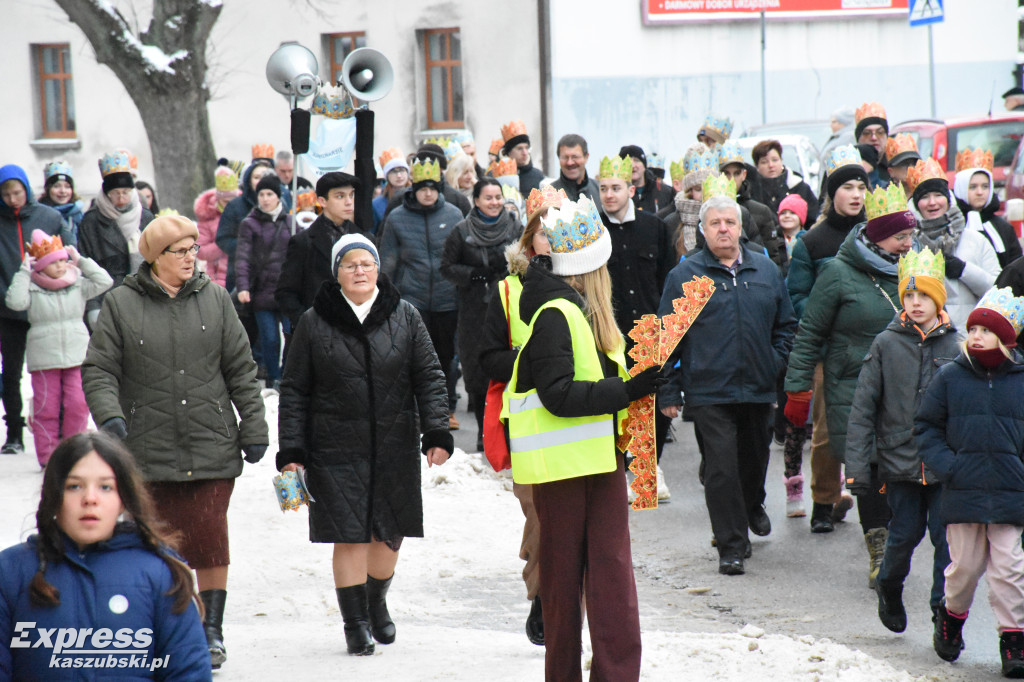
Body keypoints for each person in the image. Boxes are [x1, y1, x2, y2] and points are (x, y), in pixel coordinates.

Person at [83, 214, 269, 670]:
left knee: (210, 538)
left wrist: (255, 426)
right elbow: (100, 369)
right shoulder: (122, 304)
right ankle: (163, 627)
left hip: (211, 444)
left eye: (193, 249)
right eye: (180, 251)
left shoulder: (217, 299)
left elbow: (241, 368)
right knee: (155, 546)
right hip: (147, 449)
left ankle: (210, 631)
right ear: (155, 257)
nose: (192, 257)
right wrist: (110, 416)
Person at [278, 234, 452, 656]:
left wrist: (436, 432)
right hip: (334, 446)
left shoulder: (405, 316)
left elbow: (428, 376)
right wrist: (293, 453)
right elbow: (295, 390)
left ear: (378, 269)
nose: (359, 271)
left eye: (366, 264)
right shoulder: (313, 321)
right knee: (349, 534)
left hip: (394, 442)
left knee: (389, 535)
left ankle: (375, 601)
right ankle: (354, 623)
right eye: (350, 264)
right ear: (336, 273)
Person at [503, 196, 646, 680]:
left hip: (600, 465)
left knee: (611, 582)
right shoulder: (555, 315)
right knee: (563, 590)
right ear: (593, 269)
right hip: (562, 473)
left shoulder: (586, 314)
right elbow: (558, 395)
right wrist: (626, 390)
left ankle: (617, 674)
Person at [659, 188, 797, 576]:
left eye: (730, 223)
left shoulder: (764, 270)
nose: (723, 229)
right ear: (702, 230)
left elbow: (786, 326)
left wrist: (774, 362)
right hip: (708, 390)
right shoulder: (687, 275)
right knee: (721, 468)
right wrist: (669, 390)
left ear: (741, 228)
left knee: (753, 463)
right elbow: (666, 339)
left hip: (757, 386)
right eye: (715, 223)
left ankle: (752, 503)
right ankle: (732, 546)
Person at [785, 184, 917, 587]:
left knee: (903, 471)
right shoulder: (837, 274)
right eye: (900, 237)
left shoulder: (916, 271)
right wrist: (798, 389)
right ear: (878, 236)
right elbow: (809, 333)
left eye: (910, 236)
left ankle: (895, 542)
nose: (908, 244)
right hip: (854, 387)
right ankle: (878, 550)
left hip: (908, 390)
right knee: (871, 469)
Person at [0, 431, 212, 680]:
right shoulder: (11, 571)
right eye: (74, 486)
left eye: (105, 487)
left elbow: (188, 671)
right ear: (54, 495)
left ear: (123, 499)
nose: (90, 499)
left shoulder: (160, 573)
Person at [845, 246, 960, 634]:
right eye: (908, 295)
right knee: (904, 535)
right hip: (899, 461)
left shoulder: (956, 347)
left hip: (944, 465)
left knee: (947, 543)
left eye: (923, 295)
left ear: (938, 298)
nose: (915, 303)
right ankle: (889, 586)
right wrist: (858, 468)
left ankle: (941, 614)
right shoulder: (886, 343)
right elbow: (863, 408)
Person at [916, 287, 1024, 677]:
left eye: (986, 330)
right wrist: (949, 465)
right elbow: (927, 426)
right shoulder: (951, 378)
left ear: (1006, 339)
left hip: (1011, 493)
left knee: (1009, 570)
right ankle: (951, 616)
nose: (976, 335)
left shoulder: (1020, 380)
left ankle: (1014, 641)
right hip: (963, 490)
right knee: (964, 568)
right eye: (973, 328)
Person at [479, 184, 565, 648]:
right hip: (528, 419)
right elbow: (486, 356)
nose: (550, 242)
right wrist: (528, 362)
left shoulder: (584, 284)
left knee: (564, 518)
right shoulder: (508, 292)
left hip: (577, 418)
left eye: (559, 233)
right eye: (543, 234)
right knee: (538, 511)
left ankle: (551, 595)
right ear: (529, 240)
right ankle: (541, 596)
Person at [786, 145, 869, 533]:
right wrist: (829, 317)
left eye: (861, 187)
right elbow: (797, 296)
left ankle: (874, 499)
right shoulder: (812, 242)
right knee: (825, 431)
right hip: (828, 351)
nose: (856, 194)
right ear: (831, 193)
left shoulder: (878, 236)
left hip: (873, 347)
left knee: (875, 427)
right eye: (848, 187)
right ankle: (823, 501)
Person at [597, 153, 676, 495]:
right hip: (611, 329)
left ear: (630, 189)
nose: (609, 195)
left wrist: (667, 324)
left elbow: (667, 278)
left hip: (649, 328)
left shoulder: (654, 227)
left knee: (653, 399)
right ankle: (631, 466)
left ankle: (650, 464)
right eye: (603, 189)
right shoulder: (594, 230)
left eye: (615, 188)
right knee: (621, 396)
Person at [5, 231, 112, 468]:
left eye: (63, 260)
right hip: (44, 358)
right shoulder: (31, 288)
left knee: (78, 404)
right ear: (41, 266)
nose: (61, 265)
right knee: (46, 409)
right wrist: (24, 272)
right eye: (54, 262)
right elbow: (14, 302)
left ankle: (74, 453)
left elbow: (105, 281)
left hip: (76, 354)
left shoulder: (78, 284)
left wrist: (81, 260)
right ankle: (49, 458)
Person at [379, 157, 464, 430]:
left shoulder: (453, 214)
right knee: (414, 357)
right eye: (422, 187)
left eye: (433, 187)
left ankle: (446, 408)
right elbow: (388, 259)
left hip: (447, 298)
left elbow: (462, 254)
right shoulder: (397, 217)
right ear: (413, 188)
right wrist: (386, 296)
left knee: (446, 356)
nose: (428, 192)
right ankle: (414, 409)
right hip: (411, 300)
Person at [440, 178, 520, 450]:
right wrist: (473, 274)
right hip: (474, 311)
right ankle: (485, 430)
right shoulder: (461, 231)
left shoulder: (515, 227)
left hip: (510, 308)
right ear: (476, 201)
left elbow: (528, 259)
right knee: (477, 371)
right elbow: (447, 267)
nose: (495, 202)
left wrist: (509, 269)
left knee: (510, 368)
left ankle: (510, 430)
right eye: (488, 197)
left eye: (498, 197)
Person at [0, 164, 64, 455]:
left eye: (18, 192)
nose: (14, 199)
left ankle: (58, 428)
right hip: (7, 310)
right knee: (11, 373)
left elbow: (68, 255)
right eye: (7, 193)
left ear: (27, 189)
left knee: (52, 370)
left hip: (46, 307)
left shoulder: (49, 217)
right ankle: (14, 430)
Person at [908, 157, 1000, 331]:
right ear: (916, 205)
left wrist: (964, 270)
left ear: (948, 199)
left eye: (938, 195)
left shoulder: (976, 240)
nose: (932, 202)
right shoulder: (910, 245)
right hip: (928, 337)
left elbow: (997, 290)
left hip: (972, 334)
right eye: (925, 197)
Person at [77, 151, 155, 328]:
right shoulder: (91, 222)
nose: (121, 198)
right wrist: (92, 307)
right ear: (106, 194)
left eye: (126, 192)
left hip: (143, 297)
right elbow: (85, 266)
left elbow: (158, 261)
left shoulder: (146, 218)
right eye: (115, 193)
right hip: (107, 297)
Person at [277, 172, 362, 331]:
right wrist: (307, 322)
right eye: (340, 196)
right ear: (322, 201)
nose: (349, 202)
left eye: (351, 195)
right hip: (317, 335)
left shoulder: (363, 239)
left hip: (355, 330)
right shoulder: (304, 242)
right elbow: (285, 292)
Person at [235, 173, 294, 390]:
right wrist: (242, 286)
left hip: (287, 291)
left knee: (292, 335)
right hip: (262, 291)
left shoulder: (290, 222)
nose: (265, 198)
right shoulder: (249, 224)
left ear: (279, 196)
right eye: (261, 194)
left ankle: (287, 376)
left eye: (270, 193)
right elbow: (243, 258)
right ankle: (273, 377)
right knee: (270, 339)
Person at [718, 141, 787, 269]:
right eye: (726, 173)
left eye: (736, 173)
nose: (731, 179)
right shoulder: (709, 211)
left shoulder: (761, 211)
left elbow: (773, 257)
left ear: (744, 175)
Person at [216, 148, 275, 291]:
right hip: (241, 277)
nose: (261, 181)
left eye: (265, 176)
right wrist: (248, 246)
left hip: (273, 277)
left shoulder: (282, 204)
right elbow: (222, 238)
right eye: (256, 177)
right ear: (249, 180)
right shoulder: (235, 205)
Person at [953, 148, 1022, 270]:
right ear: (961, 188)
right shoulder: (952, 225)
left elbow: (1015, 265)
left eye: (985, 187)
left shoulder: (1003, 227)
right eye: (973, 187)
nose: (980, 192)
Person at [194, 159, 241, 288]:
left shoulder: (244, 211)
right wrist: (224, 243)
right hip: (217, 278)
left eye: (233, 200)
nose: (230, 205)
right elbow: (199, 250)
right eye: (226, 201)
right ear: (218, 199)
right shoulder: (207, 217)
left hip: (241, 275)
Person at [751, 138, 819, 225]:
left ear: (781, 161)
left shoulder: (798, 186)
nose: (771, 165)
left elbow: (814, 219)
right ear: (757, 166)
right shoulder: (752, 191)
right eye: (764, 162)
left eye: (775, 160)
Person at [37, 160, 83, 246]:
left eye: (67, 187)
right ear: (48, 189)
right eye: (56, 186)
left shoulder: (78, 215)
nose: (63, 191)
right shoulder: (40, 214)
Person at [618, 144, 674, 215]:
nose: (632, 165)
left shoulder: (665, 192)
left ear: (644, 165)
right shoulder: (617, 194)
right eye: (627, 161)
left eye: (636, 160)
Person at [550, 133, 600, 204]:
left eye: (575, 157)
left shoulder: (600, 191)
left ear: (586, 157)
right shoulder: (549, 195)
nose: (570, 163)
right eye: (565, 157)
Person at [500, 120, 545, 195]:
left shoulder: (537, 176)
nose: (525, 153)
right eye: (519, 148)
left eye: (526, 148)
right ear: (509, 152)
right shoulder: (499, 175)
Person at [373, 148, 409, 234]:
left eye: (402, 170)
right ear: (387, 176)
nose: (399, 175)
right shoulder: (376, 204)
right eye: (394, 171)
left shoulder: (418, 196)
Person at [854, 102, 891, 187]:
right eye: (867, 133)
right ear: (858, 138)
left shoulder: (895, 166)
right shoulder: (847, 165)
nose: (874, 137)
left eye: (880, 132)